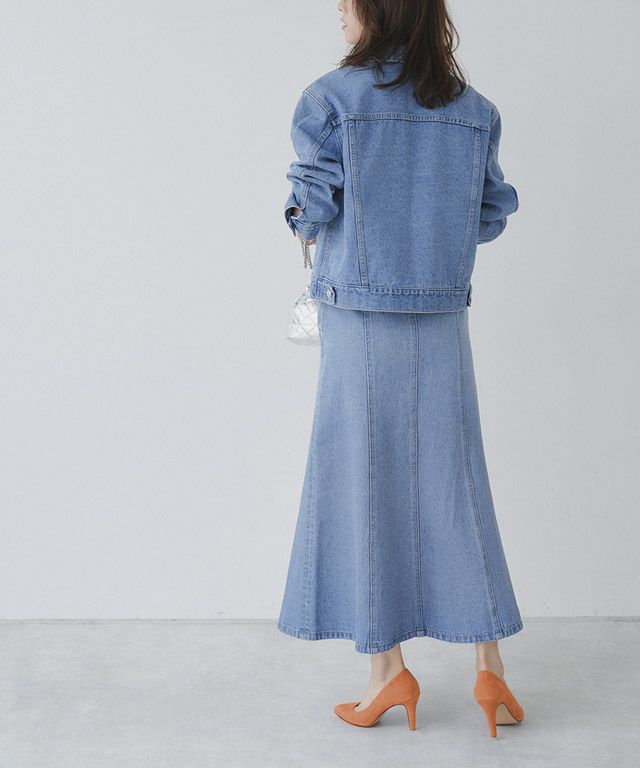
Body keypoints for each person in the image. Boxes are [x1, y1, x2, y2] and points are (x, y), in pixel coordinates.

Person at [278, 0, 525, 737]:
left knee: (361, 482)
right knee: (458, 482)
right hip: (443, 318)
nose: (339, 9)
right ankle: (490, 669)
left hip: (358, 319)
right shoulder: (475, 111)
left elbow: (313, 204)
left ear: (379, 10)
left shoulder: (330, 98)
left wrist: (302, 222)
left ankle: (388, 673)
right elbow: (491, 212)